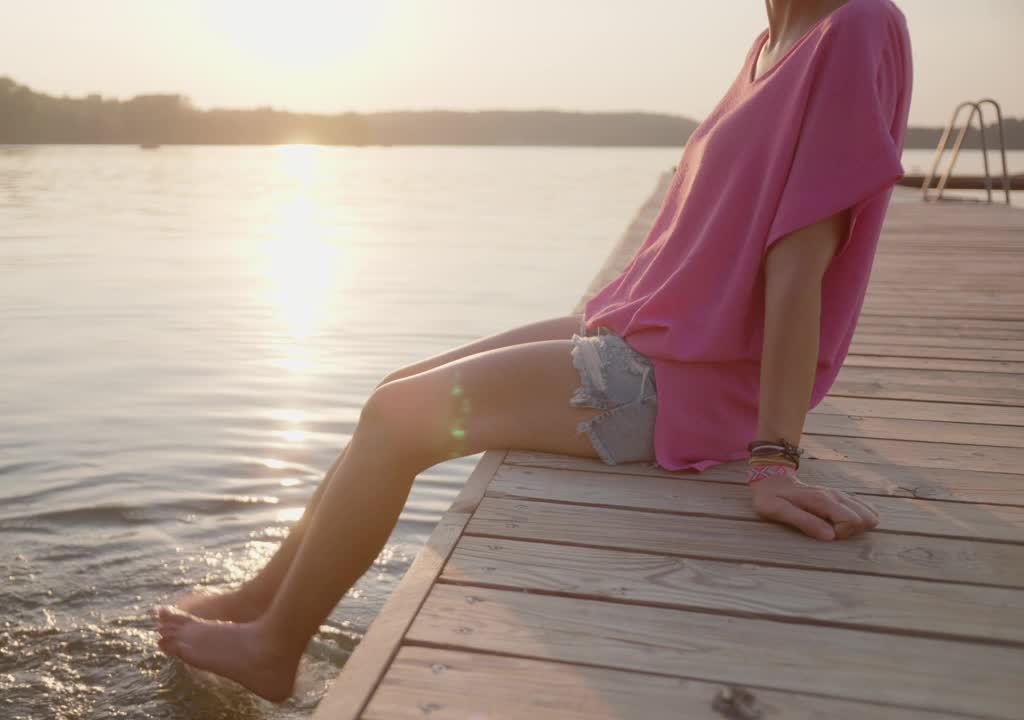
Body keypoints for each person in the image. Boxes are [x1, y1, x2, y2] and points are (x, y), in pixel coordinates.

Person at [156, 0, 912, 702]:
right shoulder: (769, 40)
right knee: (396, 388)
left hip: (685, 383)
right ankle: (264, 598)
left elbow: (799, 268)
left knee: (397, 419)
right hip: (644, 332)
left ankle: (274, 648)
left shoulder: (856, 26)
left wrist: (775, 459)